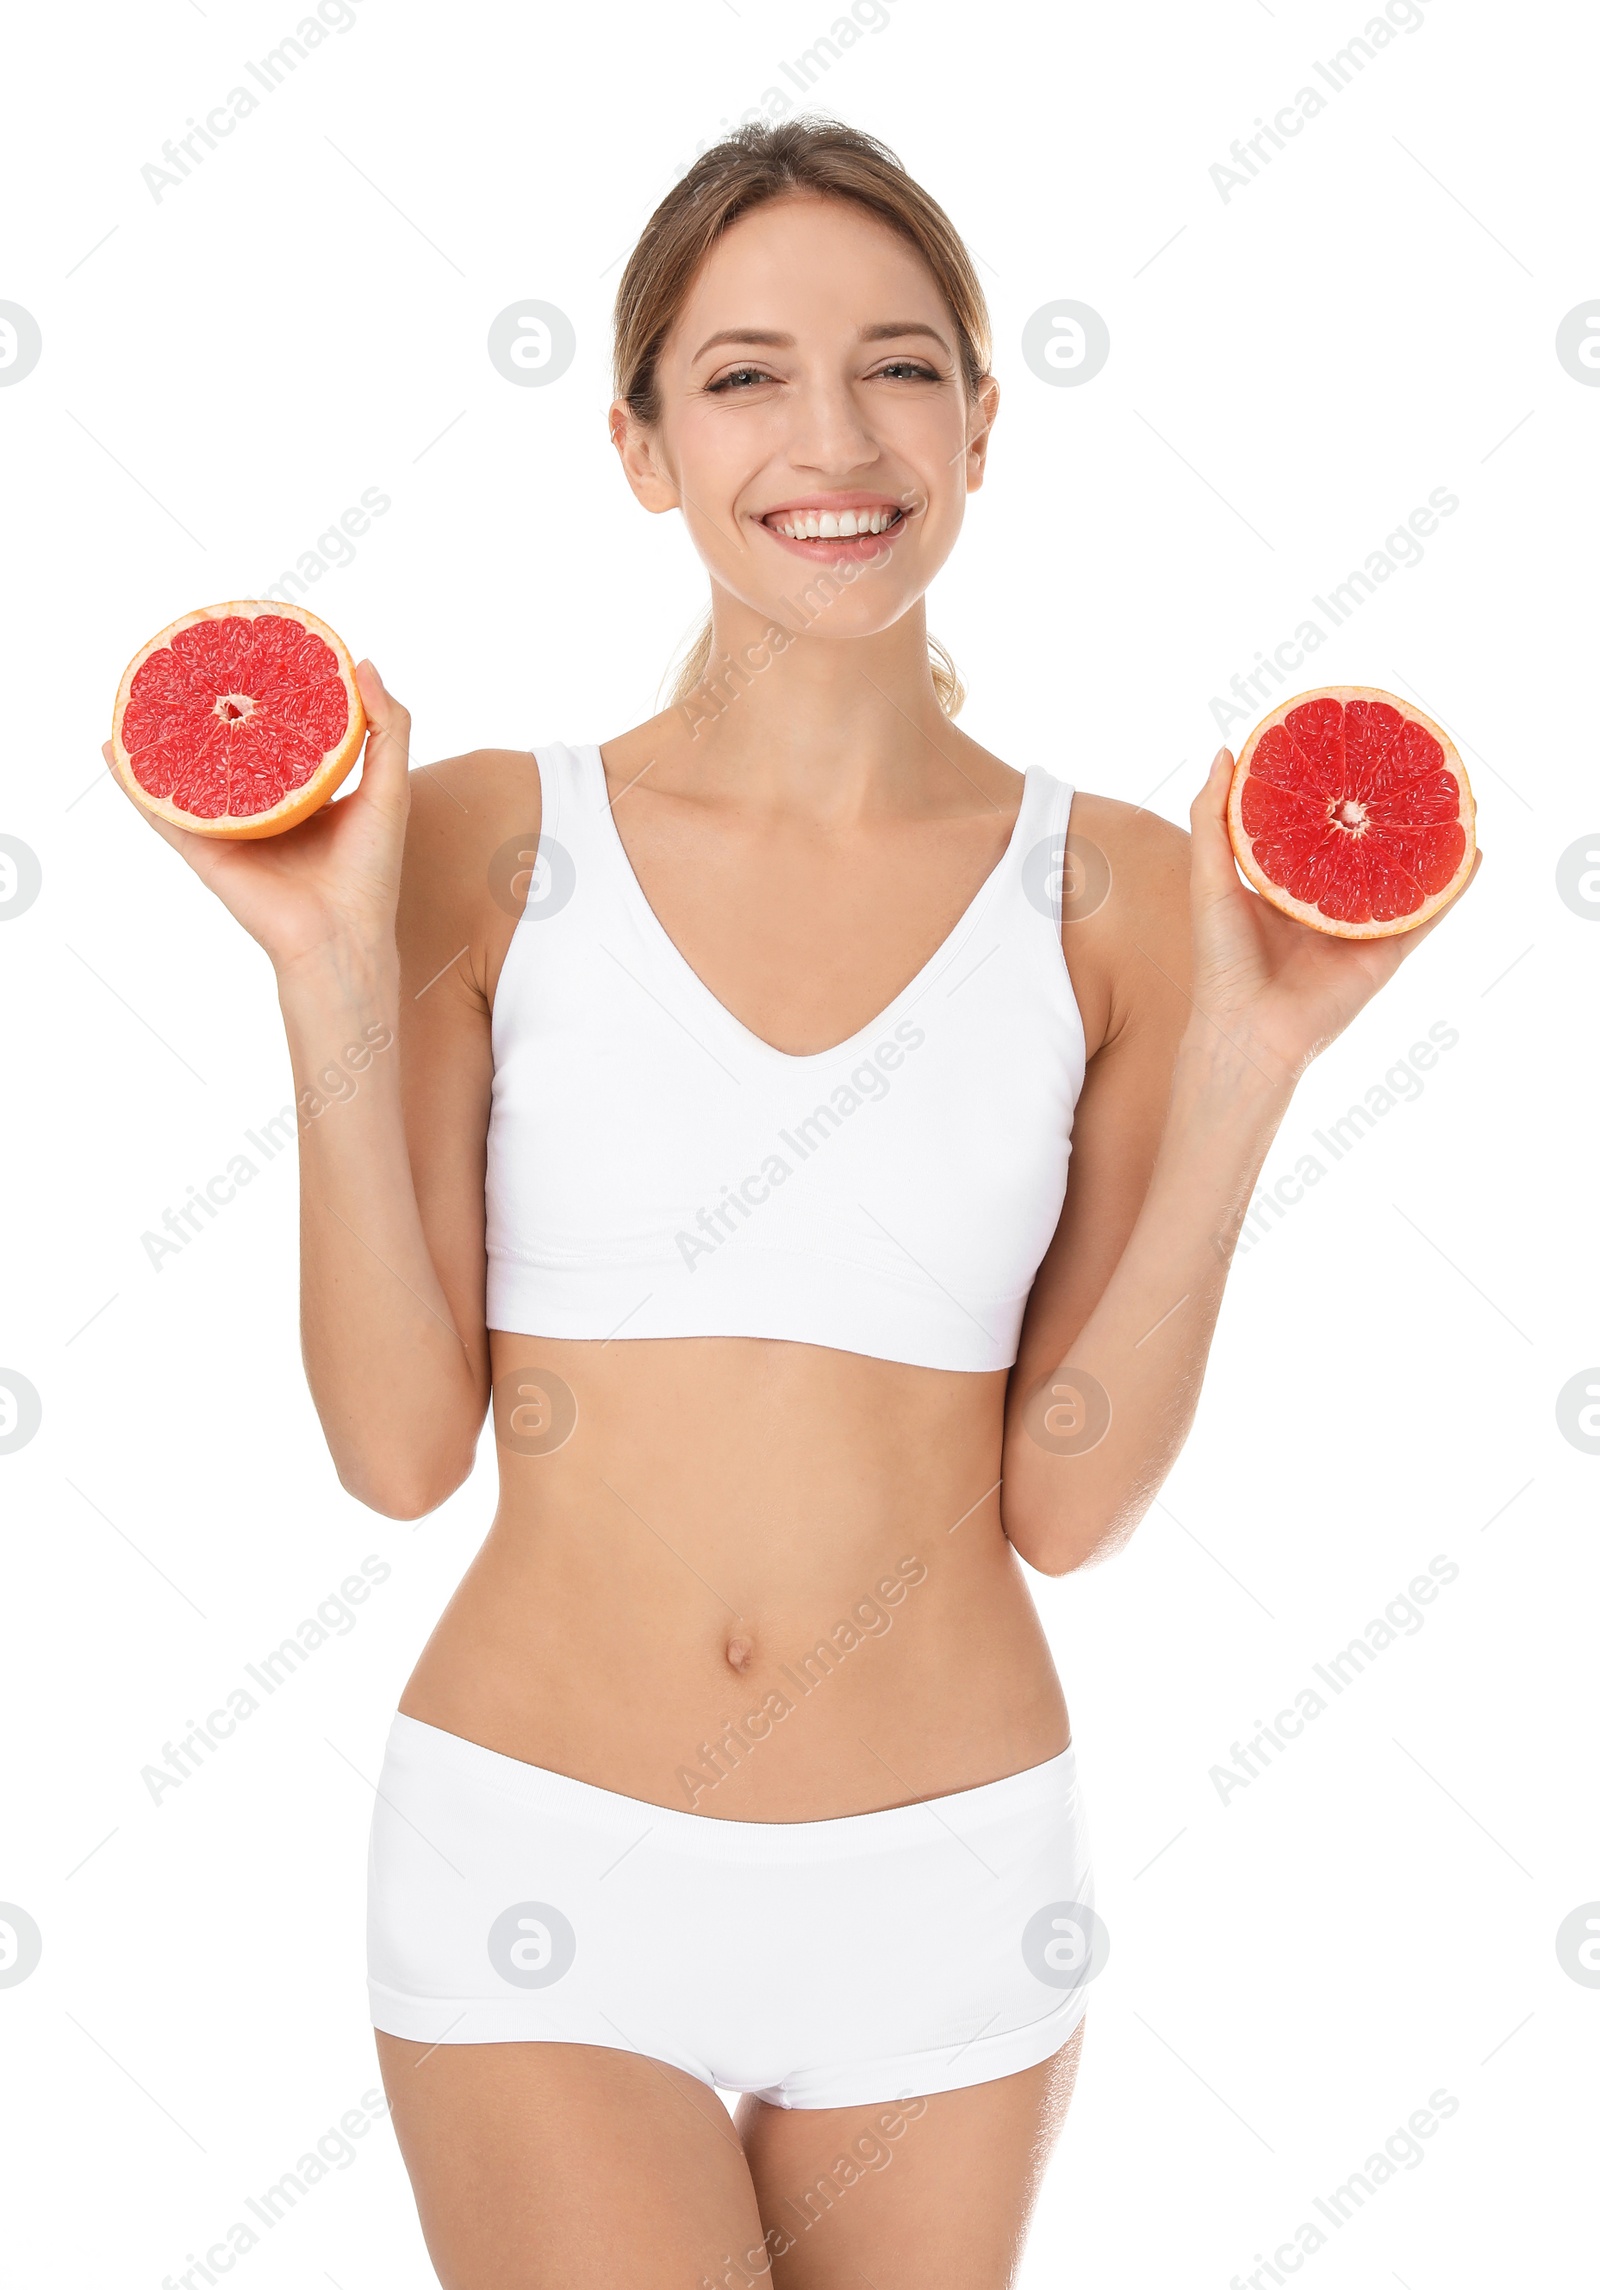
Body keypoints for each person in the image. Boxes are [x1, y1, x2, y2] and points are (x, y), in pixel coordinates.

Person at [109, 116, 1476, 2290]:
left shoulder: (1120, 886)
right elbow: (393, 1452)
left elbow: (1064, 1502)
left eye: (897, 365)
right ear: (641, 445)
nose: (828, 436)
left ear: (980, 419)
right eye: (741, 374)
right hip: (539, 1864)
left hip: (947, 1879)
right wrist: (322, 973)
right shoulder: (474, 840)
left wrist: (1248, 1067)